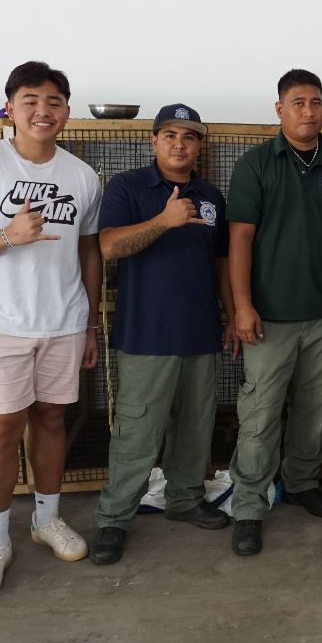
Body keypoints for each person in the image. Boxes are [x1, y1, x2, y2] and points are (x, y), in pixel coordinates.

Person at [0, 61, 102, 597]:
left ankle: (46, 519)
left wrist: (90, 324)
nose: (43, 110)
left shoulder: (82, 175)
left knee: (52, 420)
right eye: (31, 99)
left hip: (63, 321)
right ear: (9, 106)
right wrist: (7, 237)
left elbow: (88, 253)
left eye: (54, 101)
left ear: (67, 112)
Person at [90, 104, 235, 564]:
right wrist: (163, 221)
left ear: (198, 146)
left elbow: (221, 264)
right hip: (147, 336)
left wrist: (231, 314)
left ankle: (186, 499)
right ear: (153, 141)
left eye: (189, 137)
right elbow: (110, 247)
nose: (179, 144)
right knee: (138, 431)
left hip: (200, 332)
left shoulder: (211, 196)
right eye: (169, 135)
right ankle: (114, 518)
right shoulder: (128, 187)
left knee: (195, 427)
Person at [225, 69, 322, 557]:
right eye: (298, 102)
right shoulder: (256, 165)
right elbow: (239, 238)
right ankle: (248, 505)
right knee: (259, 415)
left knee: (313, 409)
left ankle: (301, 484)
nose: (309, 111)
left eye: (316, 102)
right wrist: (242, 305)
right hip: (270, 318)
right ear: (279, 109)